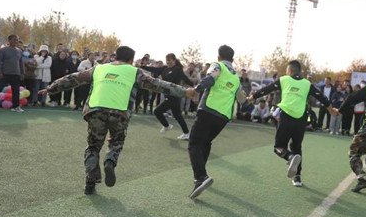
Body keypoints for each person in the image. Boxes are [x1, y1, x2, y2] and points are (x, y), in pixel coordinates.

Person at [38, 46, 194, 195]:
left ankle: (90, 182)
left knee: (93, 147)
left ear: (116, 56)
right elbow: (158, 85)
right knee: (116, 141)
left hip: (95, 110)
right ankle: (110, 162)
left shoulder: (99, 68)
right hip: (119, 112)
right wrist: (184, 91)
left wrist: (51, 88)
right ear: (131, 60)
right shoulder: (135, 72)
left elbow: (73, 78)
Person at [249, 59, 334, 187]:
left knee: (278, 148)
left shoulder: (284, 80)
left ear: (289, 70)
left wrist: (252, 97)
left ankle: (289, 157)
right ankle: (297, 177)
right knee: (297, 147)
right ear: (300, 71)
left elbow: (266, 89)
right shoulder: (307, 84)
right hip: (301, 119)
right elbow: (321, 97)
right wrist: (332, 110)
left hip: (286, 117)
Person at [184, 45, 246, 199]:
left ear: (219, 57)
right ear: (233, 59)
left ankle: (201, 177)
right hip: (223, 117)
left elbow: (210, 79)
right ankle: (200, 177)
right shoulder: (236, 77)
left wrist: (196, 89)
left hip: (209, 109)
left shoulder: (217, 66)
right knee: (205, 143)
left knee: (194, 143)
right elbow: (242, 98)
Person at [142, 53, 193, 140]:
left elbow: (185, 79)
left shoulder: (177, 69)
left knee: (157, 111)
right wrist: (141, 67)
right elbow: (153, 69)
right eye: (167, 60)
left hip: (174, 95)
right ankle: (186, 133)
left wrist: (195, 88)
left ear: (174, 60)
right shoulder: (164, 68)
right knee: (178, 116)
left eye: (169, 60)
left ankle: (167, 126)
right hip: (168, 94)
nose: (168, 62)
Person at [0, 35, 24, 112]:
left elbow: (21, 63)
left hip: (16, 74)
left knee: (16, 91)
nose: (16, 41)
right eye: (14, 40)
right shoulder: (3, 50)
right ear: (9, 41)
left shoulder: (19, 51)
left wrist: (22, 73)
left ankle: (16, 106)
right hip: (4, 74)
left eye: (17, 40)